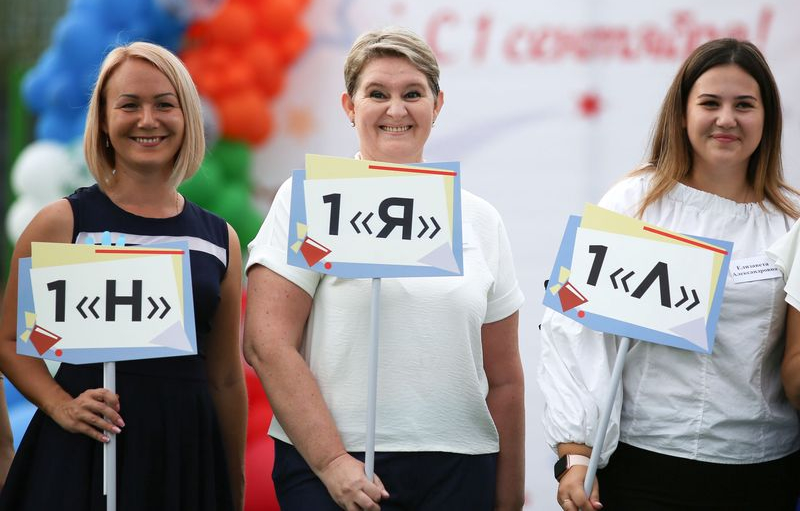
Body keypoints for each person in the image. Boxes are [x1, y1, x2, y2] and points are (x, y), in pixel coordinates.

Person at [244, 27, 526, 511]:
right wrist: (332, 461)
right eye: (377, 94)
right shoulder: (307, 197)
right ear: (349, 106)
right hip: (334, 470)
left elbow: (504, 380)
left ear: (437, 105)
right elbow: (266, 342)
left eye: (412, 94)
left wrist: (508, 500)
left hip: (460, 473)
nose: (396, 110)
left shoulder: (481, 218)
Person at [538, 37, 800, 511]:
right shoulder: (633, 202)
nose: (726, 119)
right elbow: (574, 326)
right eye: (710, 103)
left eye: (744, 105)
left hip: (764, 471)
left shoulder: (791, 223)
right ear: (682, 113)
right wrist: (576, 454)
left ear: (768, 118)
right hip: (645, 466)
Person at [0, 41, 247, 511]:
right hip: (80, 456)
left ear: (187, 117)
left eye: (164, 104)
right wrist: (61, 405)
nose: (147, 120)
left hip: (183, 459)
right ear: (103, 121)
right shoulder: (61, 223)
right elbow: (10, 341)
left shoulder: (220, 240)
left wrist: (232, 482)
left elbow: (226, 380)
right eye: (129, 105)